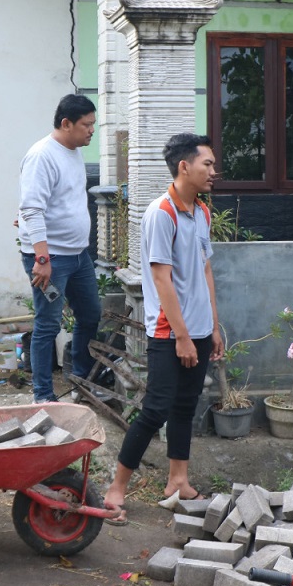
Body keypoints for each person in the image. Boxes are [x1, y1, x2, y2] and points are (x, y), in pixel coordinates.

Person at [103, 133, 224, 519]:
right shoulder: (161, 213)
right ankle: (117, 486)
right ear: (184, 166)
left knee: (186, 407)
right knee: (156, 409)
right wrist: (183, 336)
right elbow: (161, 280)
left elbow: (205, 269)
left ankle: (178, 480)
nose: (213, 171)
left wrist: (213, 327)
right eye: (207, 164)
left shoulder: (201, 211)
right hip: (168, 334)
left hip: (200, 331)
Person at [17, 94, 102, 403]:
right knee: (48, 325)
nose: (92, 130)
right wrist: (41, 257)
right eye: (86, 125)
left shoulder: (73, 150)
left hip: (78, 256)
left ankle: (80, 378)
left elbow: (54, 202)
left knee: (91, 314)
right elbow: (32, 208)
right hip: (50, 259)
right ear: (66, 124)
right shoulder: (42, 155)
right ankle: (43, 395)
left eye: (93, 124)